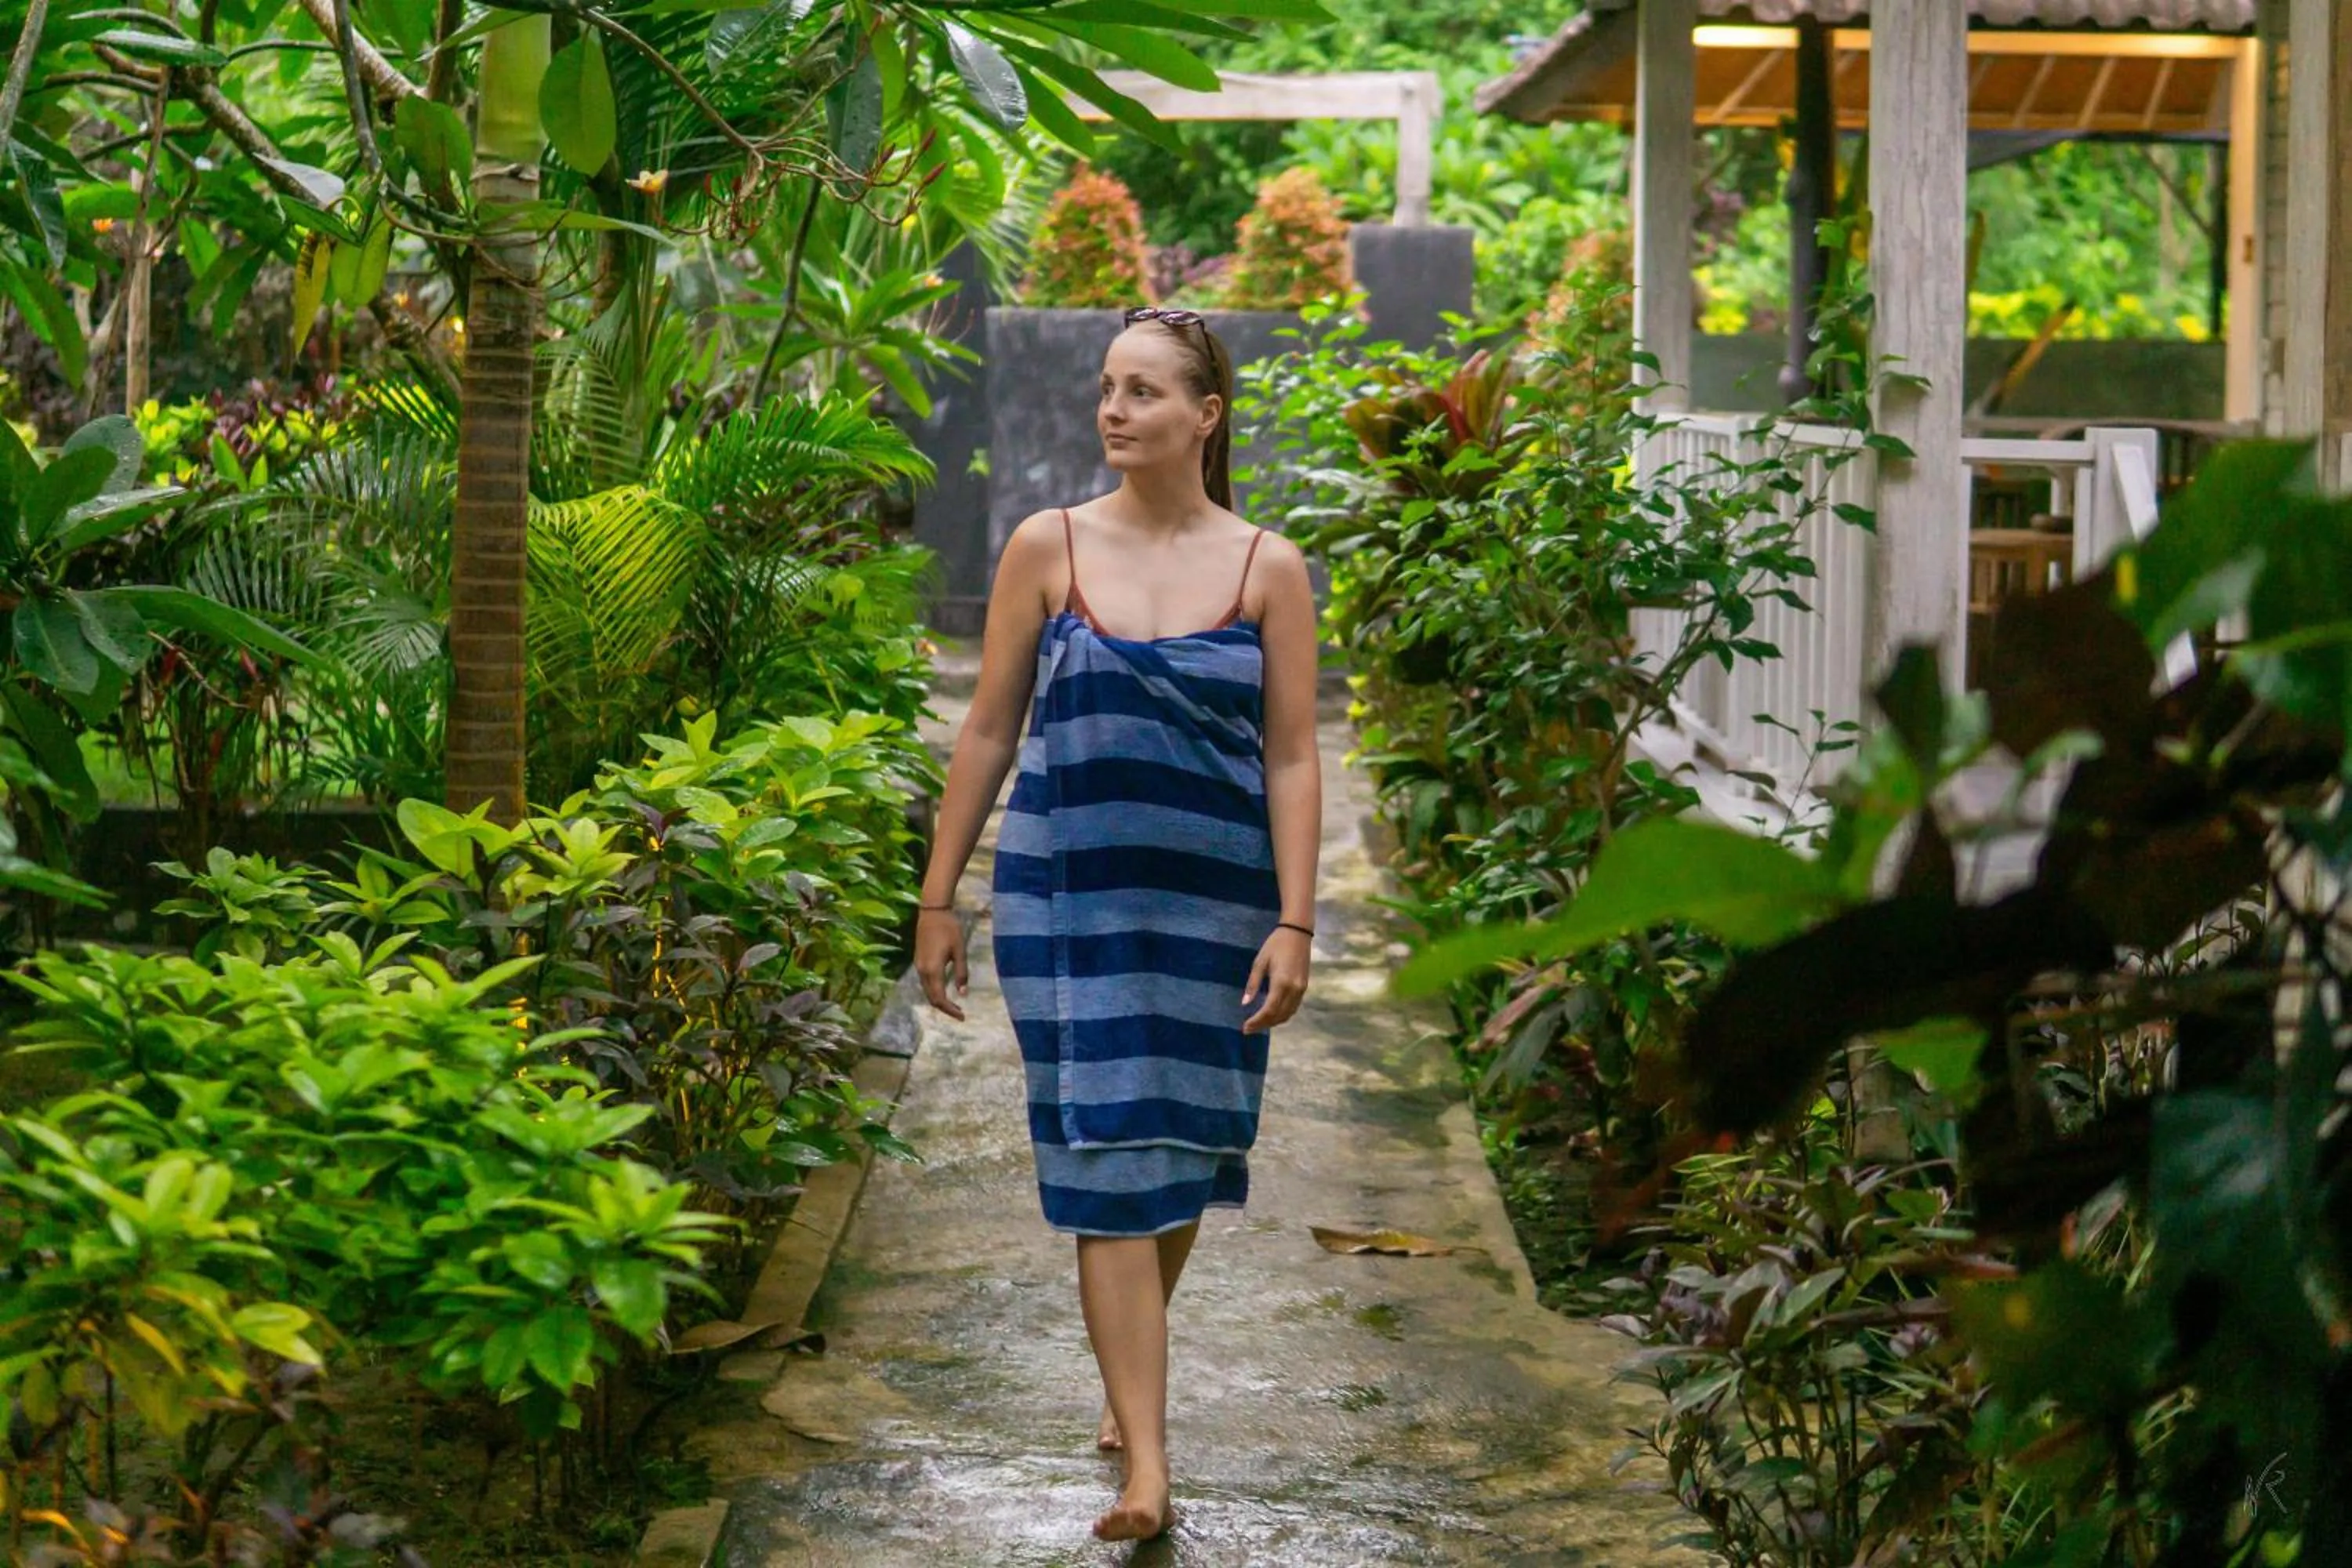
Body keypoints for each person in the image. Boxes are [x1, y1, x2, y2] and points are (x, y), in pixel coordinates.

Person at [912, 305, 1323, 1542]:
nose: (1113, 409)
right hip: (1067, 903)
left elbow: (1293, 758)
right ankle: (1149, 1464)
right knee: (1108, 1157)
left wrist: (1296, 921)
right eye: (1107, 387)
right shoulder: (1048, 548)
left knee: (1178, 1146)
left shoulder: (1269, 567)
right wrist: (938, 897)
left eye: (1143, 391)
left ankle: (1125, 1368)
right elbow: (989, 728)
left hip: (1215, 910)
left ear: (1206, 415)